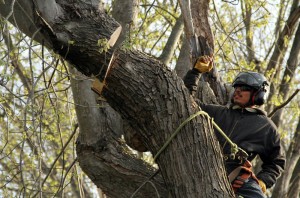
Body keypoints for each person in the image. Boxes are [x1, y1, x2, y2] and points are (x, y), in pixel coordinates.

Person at [183, 56, 286, 198]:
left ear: (258, 94)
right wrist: (195, 72)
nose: (237, 91)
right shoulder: (217, 112)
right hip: (201, 166)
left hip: (238, 178)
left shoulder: (266, 127)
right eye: (236, 87)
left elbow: (276, 162)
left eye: (244, 88)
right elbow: (183, 102)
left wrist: (263, 181)